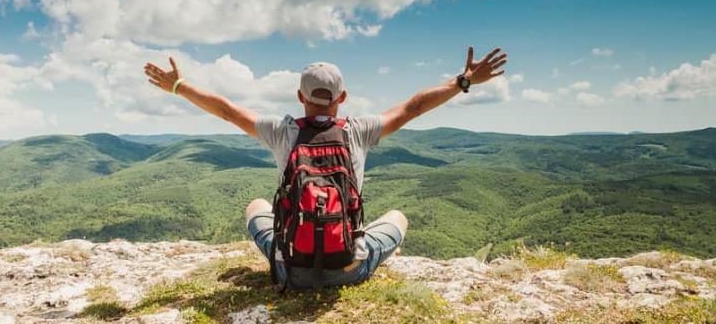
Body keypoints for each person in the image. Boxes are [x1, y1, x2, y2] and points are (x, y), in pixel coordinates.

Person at [144, 45, 507, 289]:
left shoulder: (281, 131)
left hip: (289, 270)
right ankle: (359, 252)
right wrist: (463, 81)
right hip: (349, 268)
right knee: (397, 216)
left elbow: (227, 111)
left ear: (300, 97)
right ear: (342, 98)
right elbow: (413, 107)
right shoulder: (359, 130)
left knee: (256, 206)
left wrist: (179, 86)